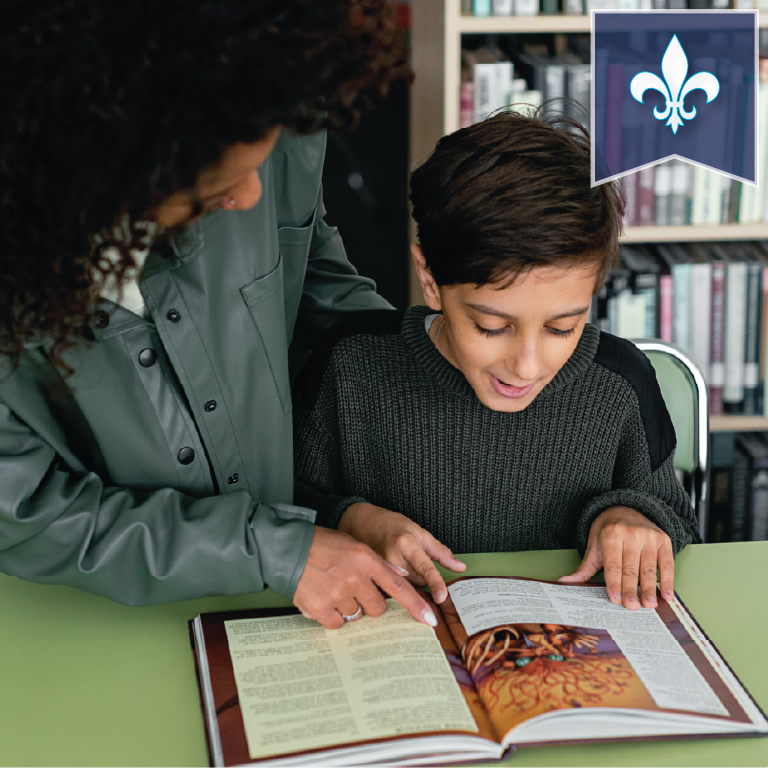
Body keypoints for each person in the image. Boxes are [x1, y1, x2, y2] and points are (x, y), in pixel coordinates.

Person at [0, 0, 439, 630]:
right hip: (86, 627)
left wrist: (437, 357)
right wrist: (272, 548)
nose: (253, 197)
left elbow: (311, 271)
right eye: (215, 187)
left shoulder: (270, 104)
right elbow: (35, 518)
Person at [293, 109, 701, 614]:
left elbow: (677, 523)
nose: (527, 366)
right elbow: (286, 508)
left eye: (561, 327)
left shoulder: (620, 385)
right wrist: (352, 518)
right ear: (430, 278)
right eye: (492, 327)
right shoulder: (349, 367)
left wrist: (629, 516)